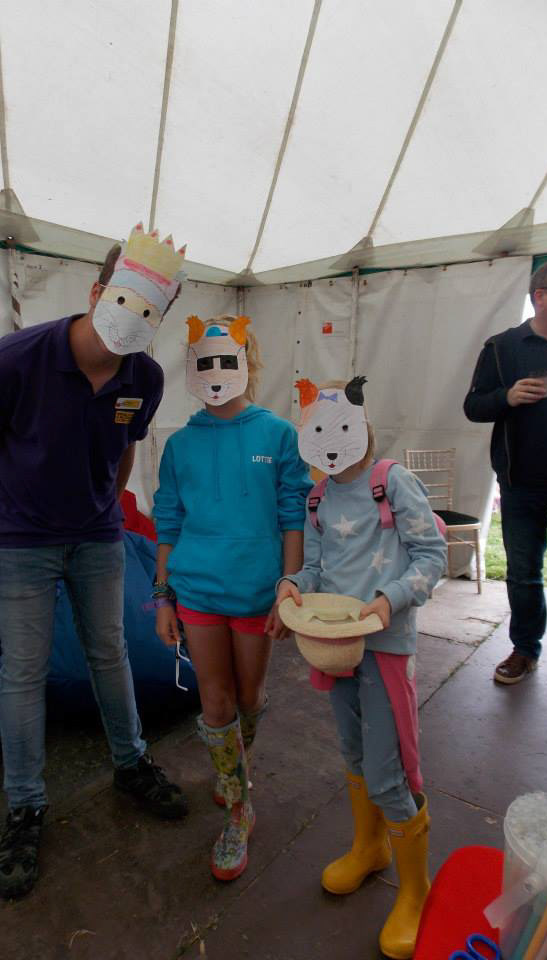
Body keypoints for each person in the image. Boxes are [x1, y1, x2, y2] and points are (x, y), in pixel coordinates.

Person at [0, 225, 189, 901]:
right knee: (23, 671)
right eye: (125, 300)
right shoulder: (16, 358)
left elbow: (122, 447)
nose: (135, 321)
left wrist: (109, 509)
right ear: (97, 291)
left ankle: (131, 763)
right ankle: (26, 807)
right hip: (19, 541)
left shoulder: (143, 377)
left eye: (154, 312)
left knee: (111, 650)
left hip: (97, 536)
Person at [277, 376, 446, 959]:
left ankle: (416, 890)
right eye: (317, 432)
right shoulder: (317, 496)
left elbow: (433, 555)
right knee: (353, 754)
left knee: (388, 767)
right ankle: (370, 848)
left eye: (339, 429)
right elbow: (316, 568)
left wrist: (390, 600)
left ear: (362, 429)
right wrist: (293, 585)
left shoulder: (391, 481)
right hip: (336, 644)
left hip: (386, 645)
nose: (329, 443)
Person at [152, 314, 310, 882]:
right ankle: (238, 804)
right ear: (192, 370)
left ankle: (234, 767)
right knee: (213, 702)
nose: (217, 372)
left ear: (249, 364)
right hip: (196, 591)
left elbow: (294, 514)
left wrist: (288, 590)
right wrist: (163, 595)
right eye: (205, 361)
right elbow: (167, 520)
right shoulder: (179, 445)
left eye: (228, 359)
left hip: (256, 596)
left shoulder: (279, 435)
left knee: (249, 696)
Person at [464, 257, 547, 696]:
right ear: (540, 295)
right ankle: (525, 648)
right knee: (523, 572)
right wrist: (508, 395)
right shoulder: (503, 347)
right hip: (522, 483)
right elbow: (474, 406)